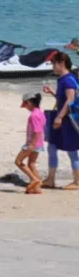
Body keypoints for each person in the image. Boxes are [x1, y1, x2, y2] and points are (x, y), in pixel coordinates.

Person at [44, 52, 79, 189]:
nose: (53, 67)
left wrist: (59, 117)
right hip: (62, 117)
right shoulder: (63, 79)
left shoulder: (69, 79)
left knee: (72, 150)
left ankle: (77, 182)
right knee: (52, 146)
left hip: (69, 119)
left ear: (61, 64)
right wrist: (53, 92)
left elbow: (70, 100)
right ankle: (50, 179)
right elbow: (64, 99)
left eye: (54, 64)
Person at [19, 93, 47, 194]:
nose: (25, 107)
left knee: (18, 161)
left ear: (29, 103)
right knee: (31, 164)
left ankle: (35, 180)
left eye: (25, 103)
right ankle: (37, 188)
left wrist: (31, 145)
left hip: (32, 143)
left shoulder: (33, 115)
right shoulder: (40, 112)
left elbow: (38, 131)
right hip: (39, 143)